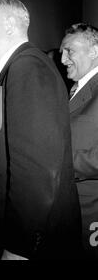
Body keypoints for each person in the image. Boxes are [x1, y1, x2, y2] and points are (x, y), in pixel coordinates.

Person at [0, 0, 82, 259]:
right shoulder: (12, 69)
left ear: (9, 25)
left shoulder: (27, 67)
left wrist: (18, 246)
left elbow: (37, 167)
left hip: (29, 243)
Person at [60, 23, 98, 259]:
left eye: (69, 51)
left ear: (94, 52)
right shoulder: (74, 89)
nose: (63, 59)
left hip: (89, 216)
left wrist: (57, 163)